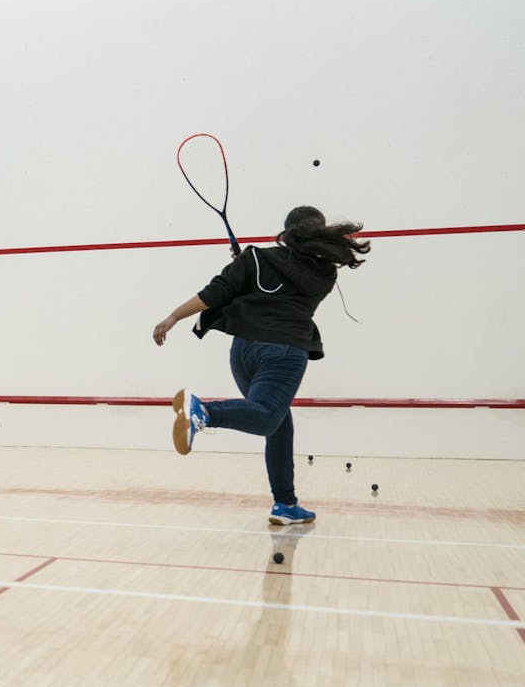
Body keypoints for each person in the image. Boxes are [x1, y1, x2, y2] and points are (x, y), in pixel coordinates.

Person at [152, 206, 370, 524]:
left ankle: (285, 504)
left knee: (280, 425)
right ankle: (204, 412)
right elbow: (288, 287)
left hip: (243, 352)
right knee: (268, 416)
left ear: (286, 232)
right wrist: (248, 267)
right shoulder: (325, 274)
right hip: (283, 352)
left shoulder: (255, 259)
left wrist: (174, 316)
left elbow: (217, 292)